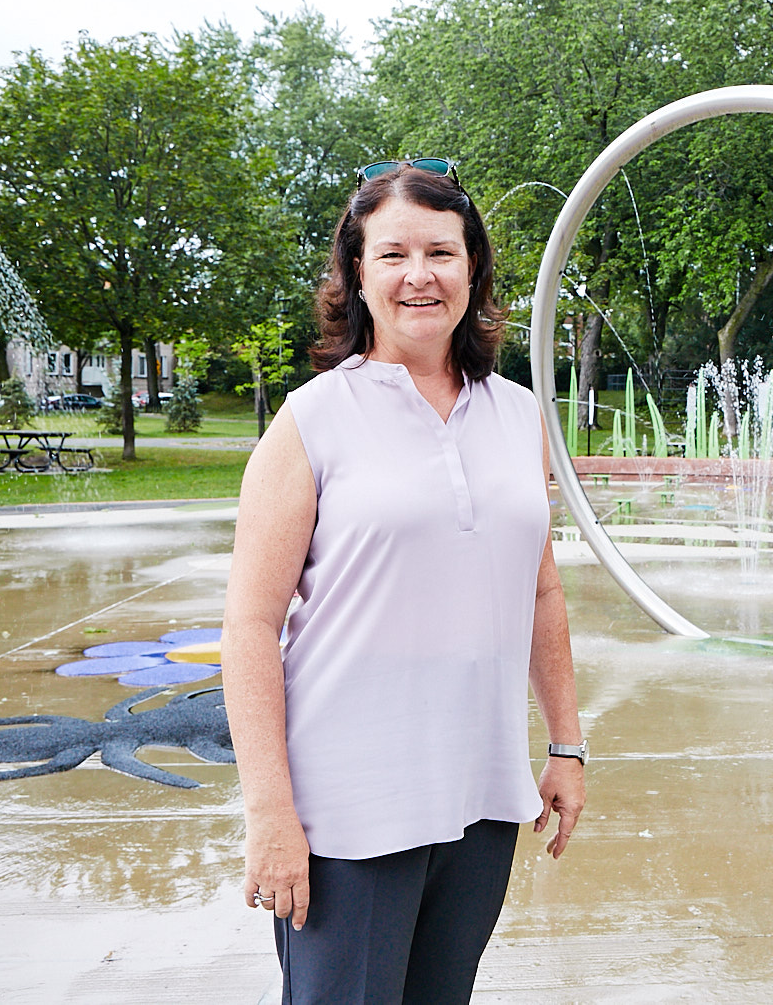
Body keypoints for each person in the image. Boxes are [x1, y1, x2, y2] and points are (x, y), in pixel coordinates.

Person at [221, 158, 585, 1004]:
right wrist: (270, 812)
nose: (419, 275)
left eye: (441, 252)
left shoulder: (518, 413)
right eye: (392, 255)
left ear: (473, 270)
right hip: (349, 812)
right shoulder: (312, 419)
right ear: (356, 273)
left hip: (481, 796)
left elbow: (540, 590)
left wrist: (565, 741)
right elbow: (248, 625)